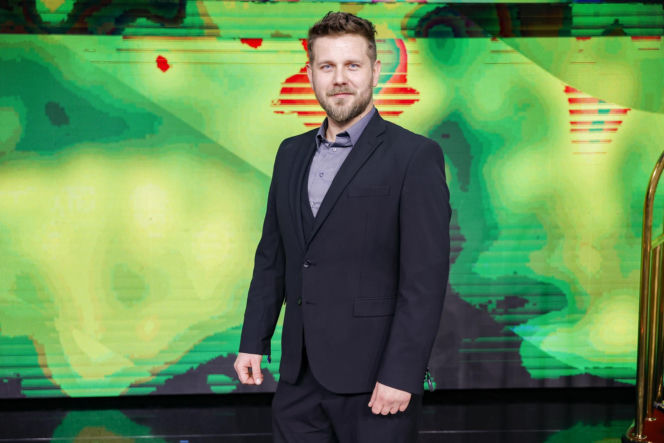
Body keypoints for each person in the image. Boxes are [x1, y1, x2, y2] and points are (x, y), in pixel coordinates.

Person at [234, 11, 451, 443]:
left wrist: (402, 374)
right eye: (327, 66)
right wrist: (253, 339)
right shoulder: (289, 153)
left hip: (376, 382)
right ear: (310, 73)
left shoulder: (414, 156)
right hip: (298, 379)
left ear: (375, 70)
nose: (339, 79)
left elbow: (424, 281)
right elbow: (273, 257)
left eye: (352, 65)